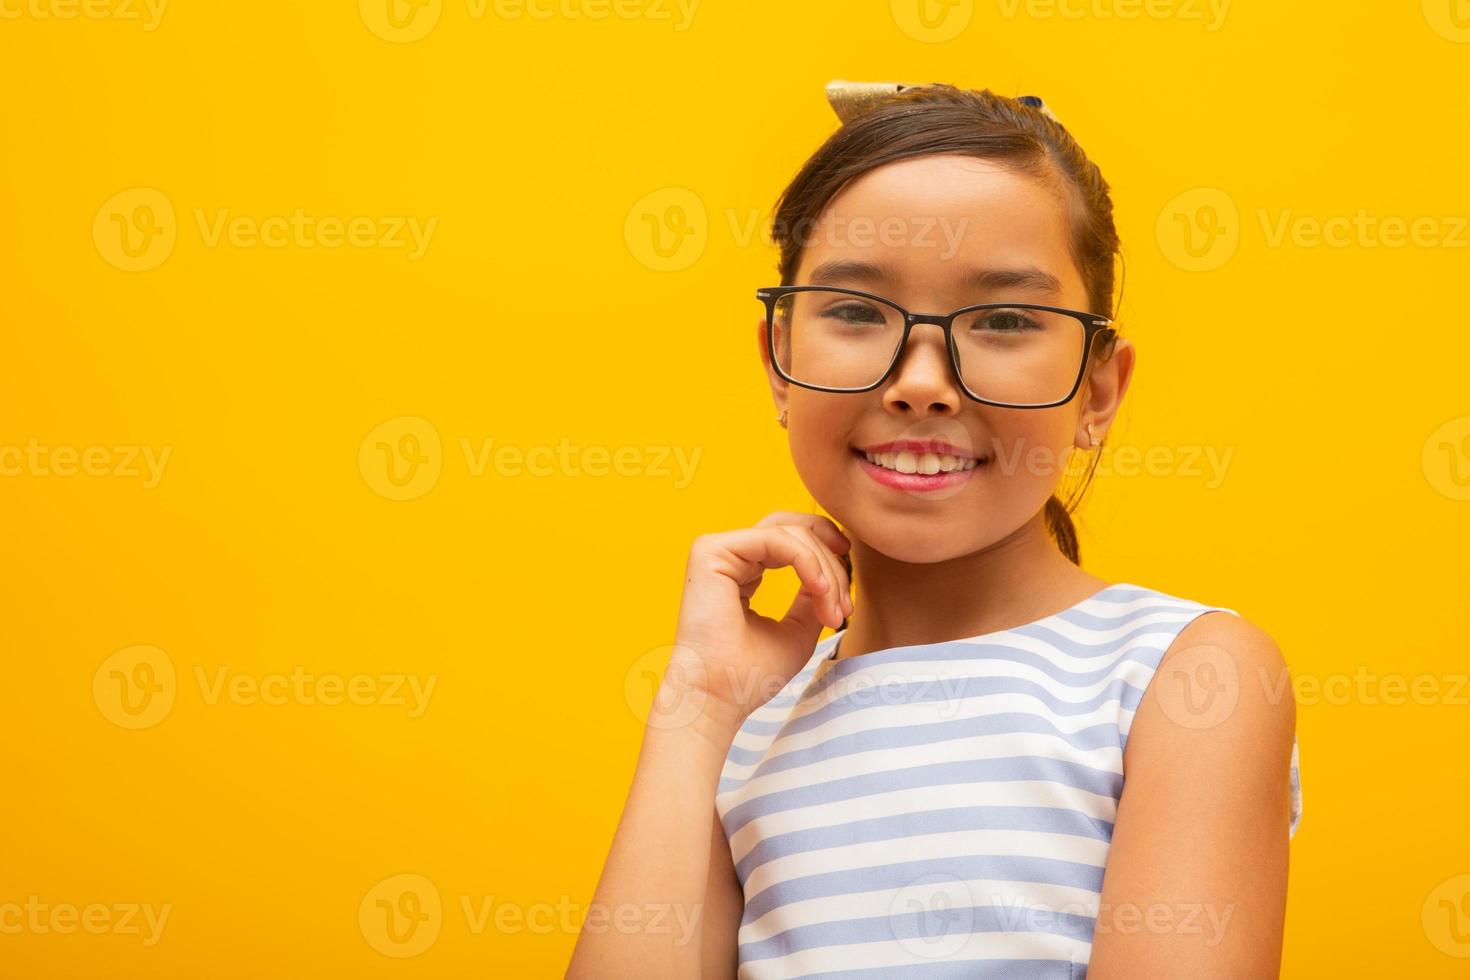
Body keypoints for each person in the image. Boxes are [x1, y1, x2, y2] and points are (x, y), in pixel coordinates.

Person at [568, 80, 1302, 979]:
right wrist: (697, 707)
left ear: (1098, 391)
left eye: (1001, 320)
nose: (923, 380)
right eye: (855, 311)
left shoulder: (1184, 675)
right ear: (779, 361)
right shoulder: (745, 720)